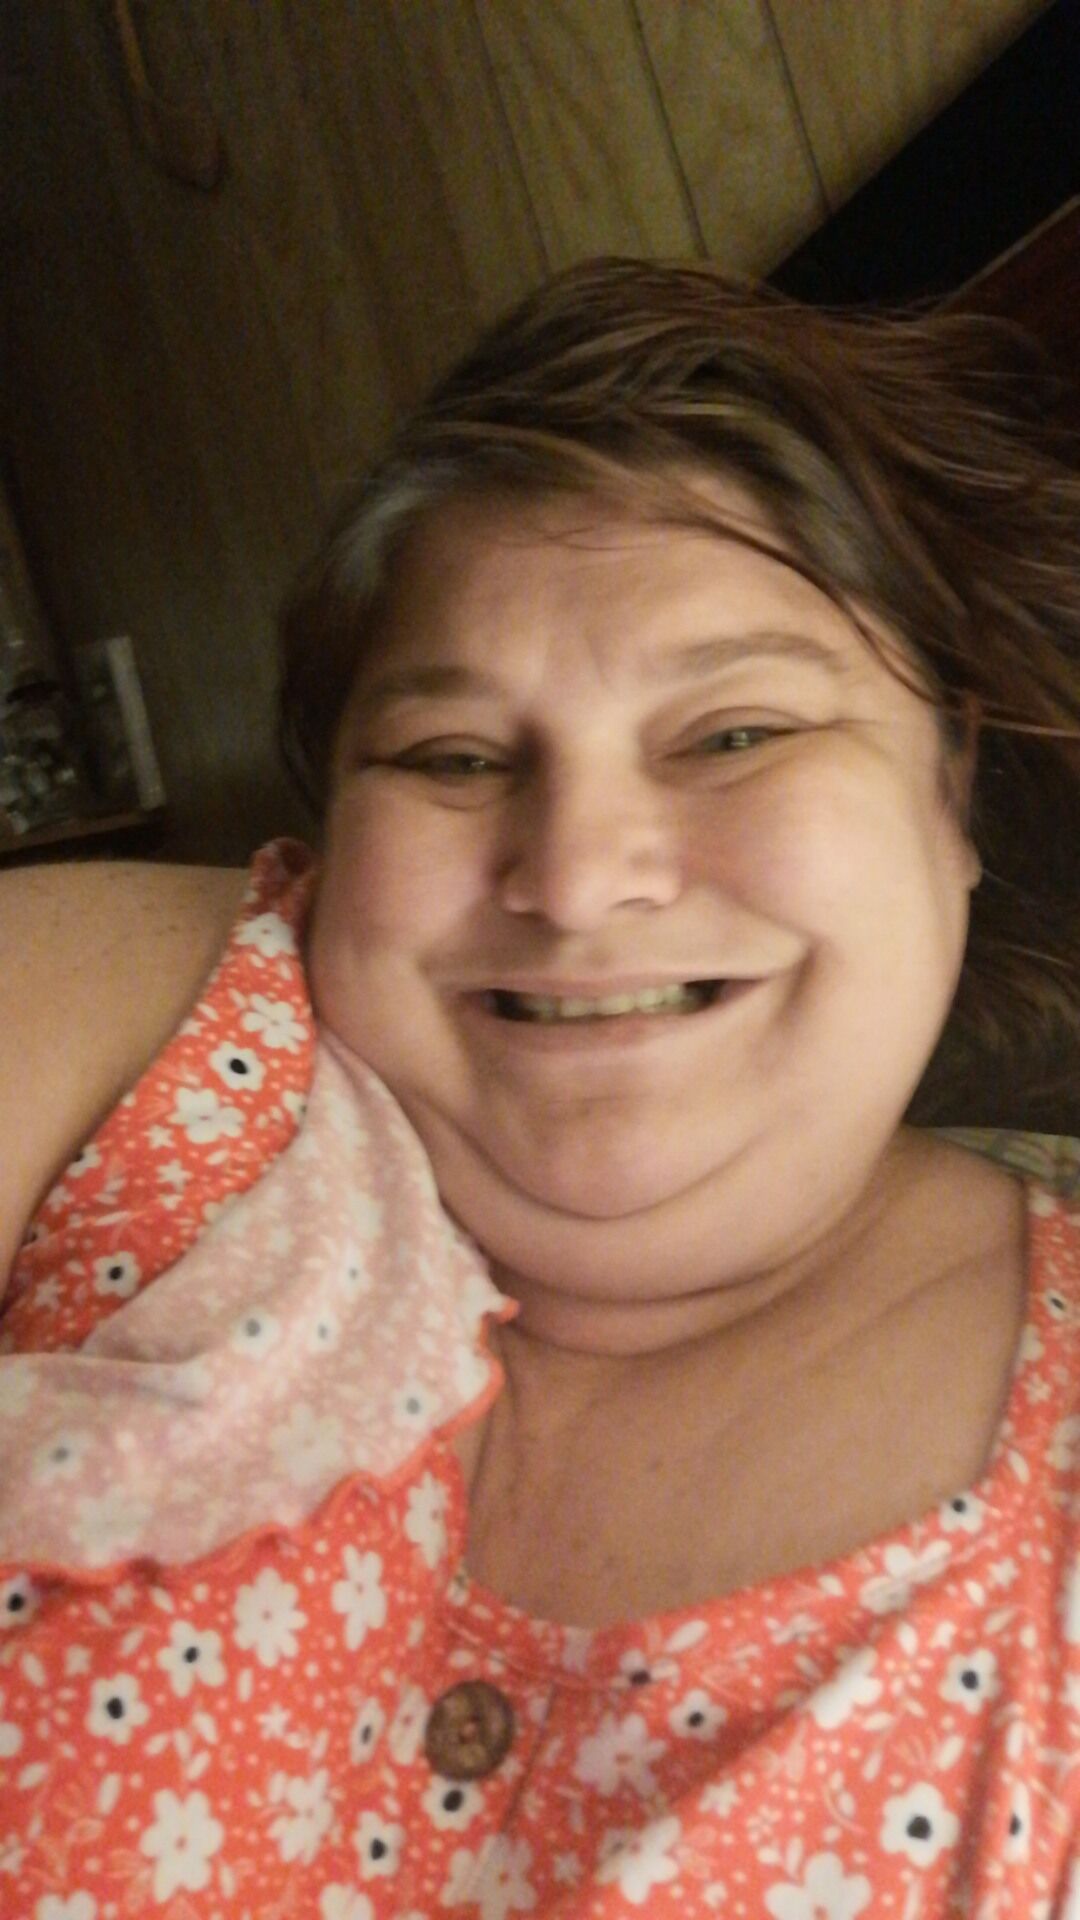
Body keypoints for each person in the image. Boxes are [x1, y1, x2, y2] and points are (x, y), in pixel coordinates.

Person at [0, 257, 1078, 1917]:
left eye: (733, 734)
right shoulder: (170, 1044)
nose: (573, 879)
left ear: (955, 795)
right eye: (454, 757)